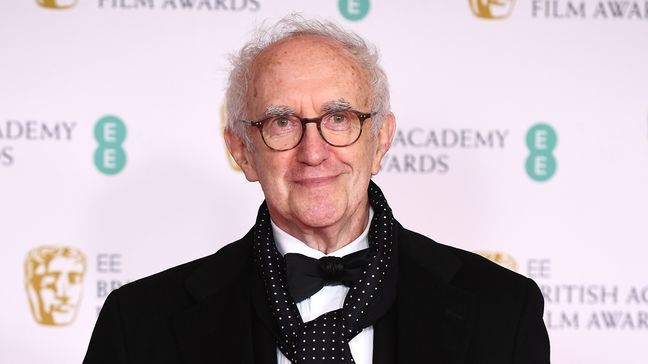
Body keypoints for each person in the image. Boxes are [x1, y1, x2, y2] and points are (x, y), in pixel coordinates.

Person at [84, 15, 550, 364]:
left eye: (339, 118)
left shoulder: (501, 311)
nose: (313, 152)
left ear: (381, 140)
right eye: (282, 122)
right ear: (242, 151)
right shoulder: (139, 325)